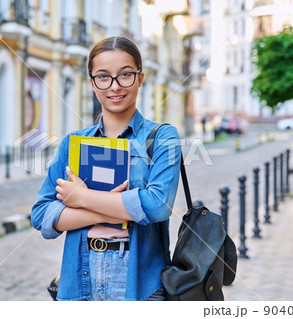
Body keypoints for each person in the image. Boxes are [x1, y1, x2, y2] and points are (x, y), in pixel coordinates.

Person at [31, 36, 181, 301]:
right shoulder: (72, 144)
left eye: (125, 75)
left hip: (141, 287)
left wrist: (81, 199)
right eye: (103, 77)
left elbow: (157, 205)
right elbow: (42, 214)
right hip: (80, 281)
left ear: (140, 78)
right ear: (91, 82)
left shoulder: (162, 137)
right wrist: (115, 213)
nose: (114, 86)